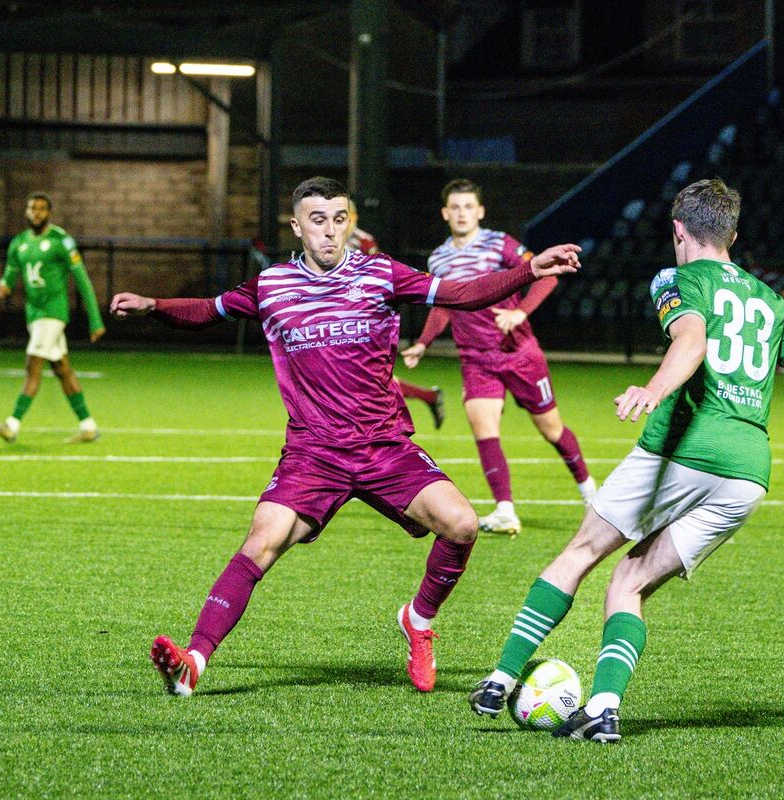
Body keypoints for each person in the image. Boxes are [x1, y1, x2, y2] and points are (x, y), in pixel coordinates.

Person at [109, 177, 580, 695]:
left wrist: (528, 270)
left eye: (339, 219)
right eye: (318, 220)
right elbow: (208, 310)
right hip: (312, 453)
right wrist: (155, 305)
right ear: (296, 227)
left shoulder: (380, 273)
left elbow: (461, 295)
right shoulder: (271, 286)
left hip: (384, 447)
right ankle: (193, 662)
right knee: (260, 542)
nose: (331, 232)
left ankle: (418, 621)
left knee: (463, 525)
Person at [468, 179, 784, 742]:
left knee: (582, 553)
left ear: (677, 229)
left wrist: (654, 388)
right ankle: (601, 711)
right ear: (733, 235)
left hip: (681, 449)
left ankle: (498, 680)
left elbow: (690, 340)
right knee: (631, 580)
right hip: (747, 475)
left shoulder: (676, 278)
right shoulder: (769, 299)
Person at [402, 179, 596, 536]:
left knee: (551, 429)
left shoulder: (498, 244)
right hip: (475, 358)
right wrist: (424, 343)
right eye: (455, 208)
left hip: (519, 353)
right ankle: (505, 510)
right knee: (483, 427)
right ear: (446, 214)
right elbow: (444, 305)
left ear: (480, 211)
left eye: (468, 207)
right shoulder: (439, 258)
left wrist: (520, 313)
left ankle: (591, 495)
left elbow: (546, 277)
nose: (462, 213)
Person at [0, 192, 105, 444]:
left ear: (49, 212)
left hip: (53, 313)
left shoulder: (61, 241)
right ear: (26, 212)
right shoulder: (19, 243)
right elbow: (10, 272)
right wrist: (3, 285)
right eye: (33, 208)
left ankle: (12, 424)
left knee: (33, 367)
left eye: (42, 209)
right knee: (62, 369)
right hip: (34, 315)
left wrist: (95, 319)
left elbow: (82, 280)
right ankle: (88, 426)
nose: (37, 213)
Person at [346, 200, 445, 429]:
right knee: (367, 378)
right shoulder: (327, 243)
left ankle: (394, 425)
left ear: (355, 216)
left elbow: (377, 278)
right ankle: (426, 399)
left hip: (364, 320)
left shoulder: (364, 241)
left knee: (367, 378)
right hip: (341, 319)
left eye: (347, 215)